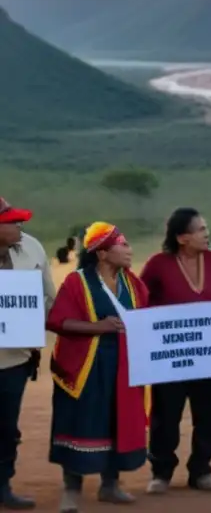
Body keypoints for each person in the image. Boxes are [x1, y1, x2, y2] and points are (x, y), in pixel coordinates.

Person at [47, 223, 148, 513]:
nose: (129, 250)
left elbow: (149, 318)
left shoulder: (133, 283)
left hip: (123, 367)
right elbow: (57, 321)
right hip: (84, 367)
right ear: (102, 253)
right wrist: (97, 327)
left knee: (116, 421)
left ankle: (110, 486)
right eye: (123, 245)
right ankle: (71, 490)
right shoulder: (76, 283)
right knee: (80, 422)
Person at [140, 208, 211, 494]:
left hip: (208, 356)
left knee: (207, 415)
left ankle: (201, 471)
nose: (206, 233)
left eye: (205, 228)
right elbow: (140, 302)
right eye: (200, 229)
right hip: (170, 357)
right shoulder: (158, 264)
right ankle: (161, 472)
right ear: (182, 237)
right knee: (166, 415)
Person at [0, 198, 57, 510]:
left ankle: (3, 485)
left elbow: (49, 297)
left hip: (15, 358)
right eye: (11, 222)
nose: (19, 226)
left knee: (7, 427)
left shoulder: (32, 247)